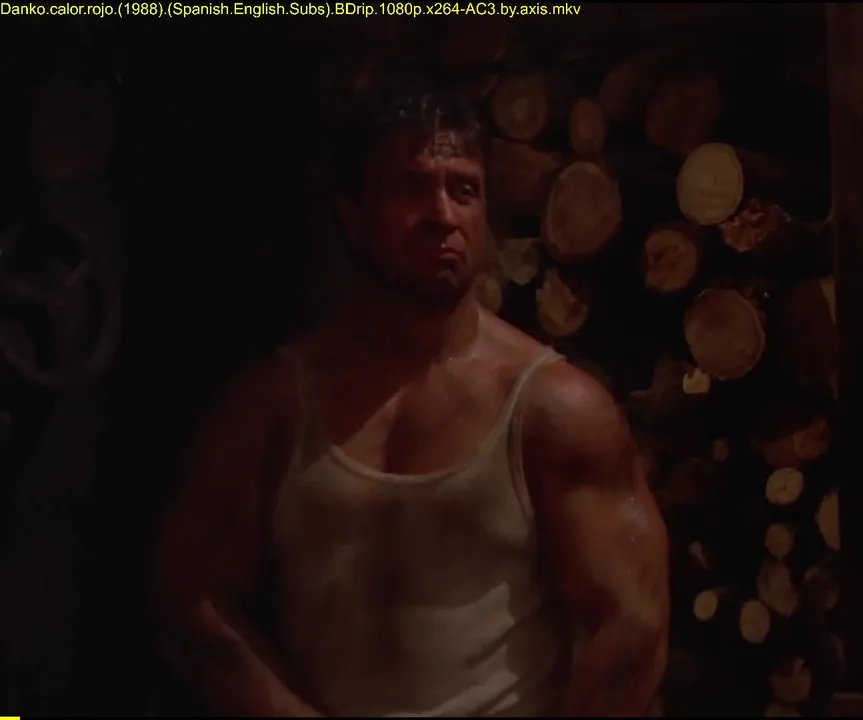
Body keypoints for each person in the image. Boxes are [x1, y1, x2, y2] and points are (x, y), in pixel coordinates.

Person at [152, 78, 669, 717]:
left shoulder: (553, 410)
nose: (443, 215)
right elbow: (198, 609)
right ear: (352, 217)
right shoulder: (268, 411)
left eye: (464, 190)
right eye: (411, 188)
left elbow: (631, 627)